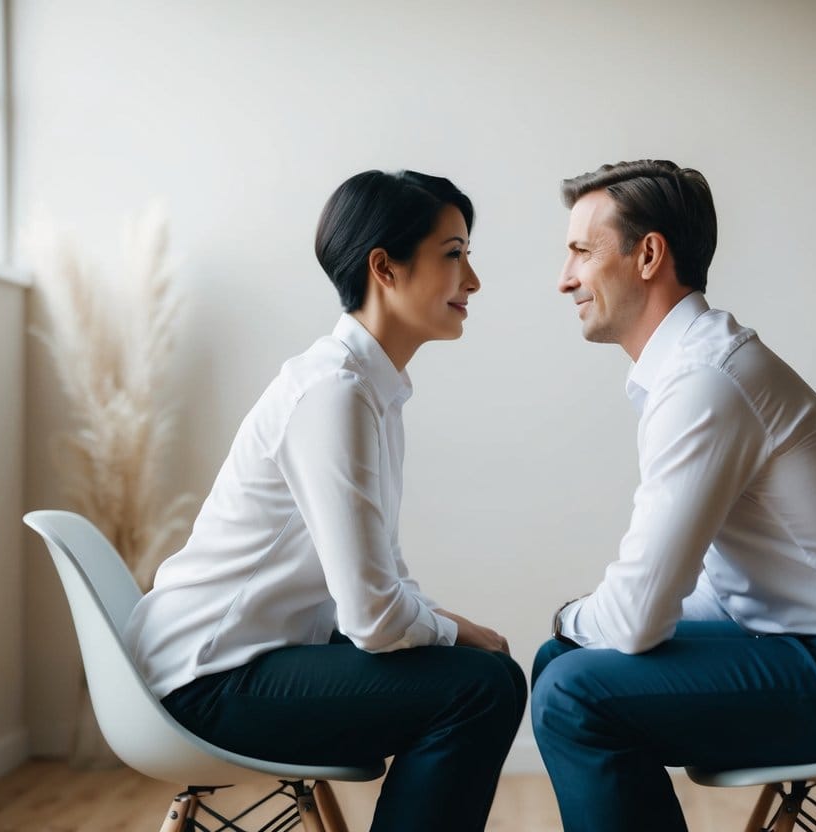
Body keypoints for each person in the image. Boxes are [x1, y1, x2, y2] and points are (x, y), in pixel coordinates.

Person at [531, 159, 816, 832]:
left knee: (572, 690)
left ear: (647, 255)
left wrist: (570, 614)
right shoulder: (694, 371)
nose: (564, 279)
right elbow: (720, 590)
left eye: (581, 253)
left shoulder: (704, 382)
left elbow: (636, 617)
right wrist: (586, 630)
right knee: (565, 665)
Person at [125, 169, 525, 832]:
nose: (472, 282)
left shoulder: (369, 389)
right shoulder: (334, 394)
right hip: (208, 681)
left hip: (257, 655)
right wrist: (458, 632)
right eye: (453, 255)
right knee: (480, 689)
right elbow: (371, 616)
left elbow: (378, 578)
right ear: (384, 268)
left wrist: (450, 629)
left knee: (484, 677)